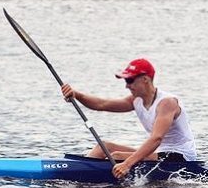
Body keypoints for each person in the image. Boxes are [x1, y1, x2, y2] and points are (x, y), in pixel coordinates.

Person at [59, 58, 199, 179]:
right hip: (159, 153)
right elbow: (102, 104)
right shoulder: (136, 100)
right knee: (104, 146)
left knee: (117, 156)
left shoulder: (167, 103)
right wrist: (77, 95)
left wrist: (127, 164)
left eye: (130, 80)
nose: (127, 85)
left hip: (180, 157)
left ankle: (83, 176)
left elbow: (156, 139)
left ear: (145, 79)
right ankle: (80, 173)